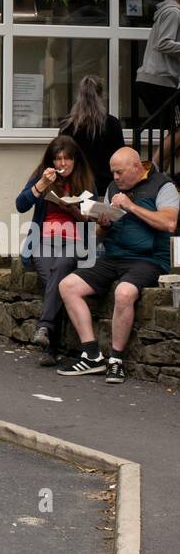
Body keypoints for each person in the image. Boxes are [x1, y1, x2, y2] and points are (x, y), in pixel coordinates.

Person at [56, 147, 179, 383]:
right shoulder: (114, 188)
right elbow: (99, 236)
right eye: (113, 173)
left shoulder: (164, 187)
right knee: (68, 286)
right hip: (113, 257)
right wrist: (103, 224)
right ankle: (92, 355)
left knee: (124, 293)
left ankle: (116, 361)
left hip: (148, 259)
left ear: (136, 167)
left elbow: (169, 223)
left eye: (119, 172)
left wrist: (131, 206)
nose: (115, 178)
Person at [16, 135, 94, 367]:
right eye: (58, 159)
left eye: (67, 159)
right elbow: (21, 204)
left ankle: (45, 331)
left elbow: (94, 217)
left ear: (75, 160)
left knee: (60, 268)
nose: (62, 164)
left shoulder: (86, 181)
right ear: (51, 161)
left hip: (75, 242)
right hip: (43, 240)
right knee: (56, 279)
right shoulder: (42, 177)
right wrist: (40, 185)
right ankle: (50, 343)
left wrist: (76, 212)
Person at [136, 0, 180, 169]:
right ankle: (153, 169)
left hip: (154, 79)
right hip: (159, 80)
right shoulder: (174, 12)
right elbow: (163, 43)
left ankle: (161, 174)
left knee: (174, 131)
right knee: (179, 129)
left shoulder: (169, 11)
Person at [61, 76, 125, 196]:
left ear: (78, 96)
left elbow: (60, 158)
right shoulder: (112, 123)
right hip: (106, 189)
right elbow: (122, 158)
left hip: (76, 188)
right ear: (101, 95)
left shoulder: (68, 125)